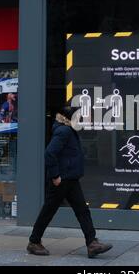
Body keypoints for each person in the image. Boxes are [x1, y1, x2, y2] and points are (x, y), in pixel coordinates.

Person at [27, 106, 113, 258]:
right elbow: (49, 154)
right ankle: (34, 242)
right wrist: (55, 176)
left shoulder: (68, 130)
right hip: (62, 180)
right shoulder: (64, 131)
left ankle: (92, 243)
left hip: (70, 179)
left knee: (82, 210)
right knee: (49, 211)